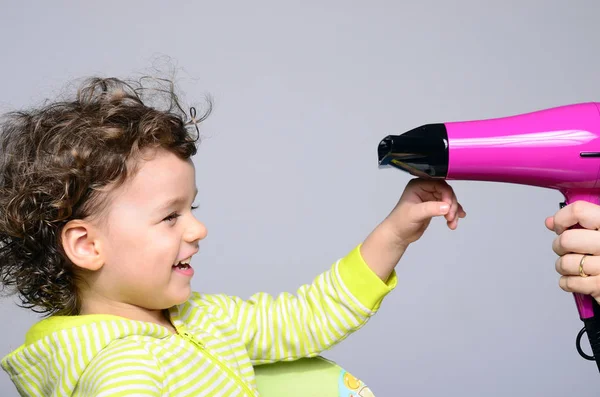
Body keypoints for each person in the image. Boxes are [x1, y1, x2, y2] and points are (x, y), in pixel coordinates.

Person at [0, 75, 466, 396]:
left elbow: (304, 319)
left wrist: (396, 231)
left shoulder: (204, 318)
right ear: (87, 246)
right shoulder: (119, 369)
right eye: (170, 217)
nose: (198, 229)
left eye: (192, 208)